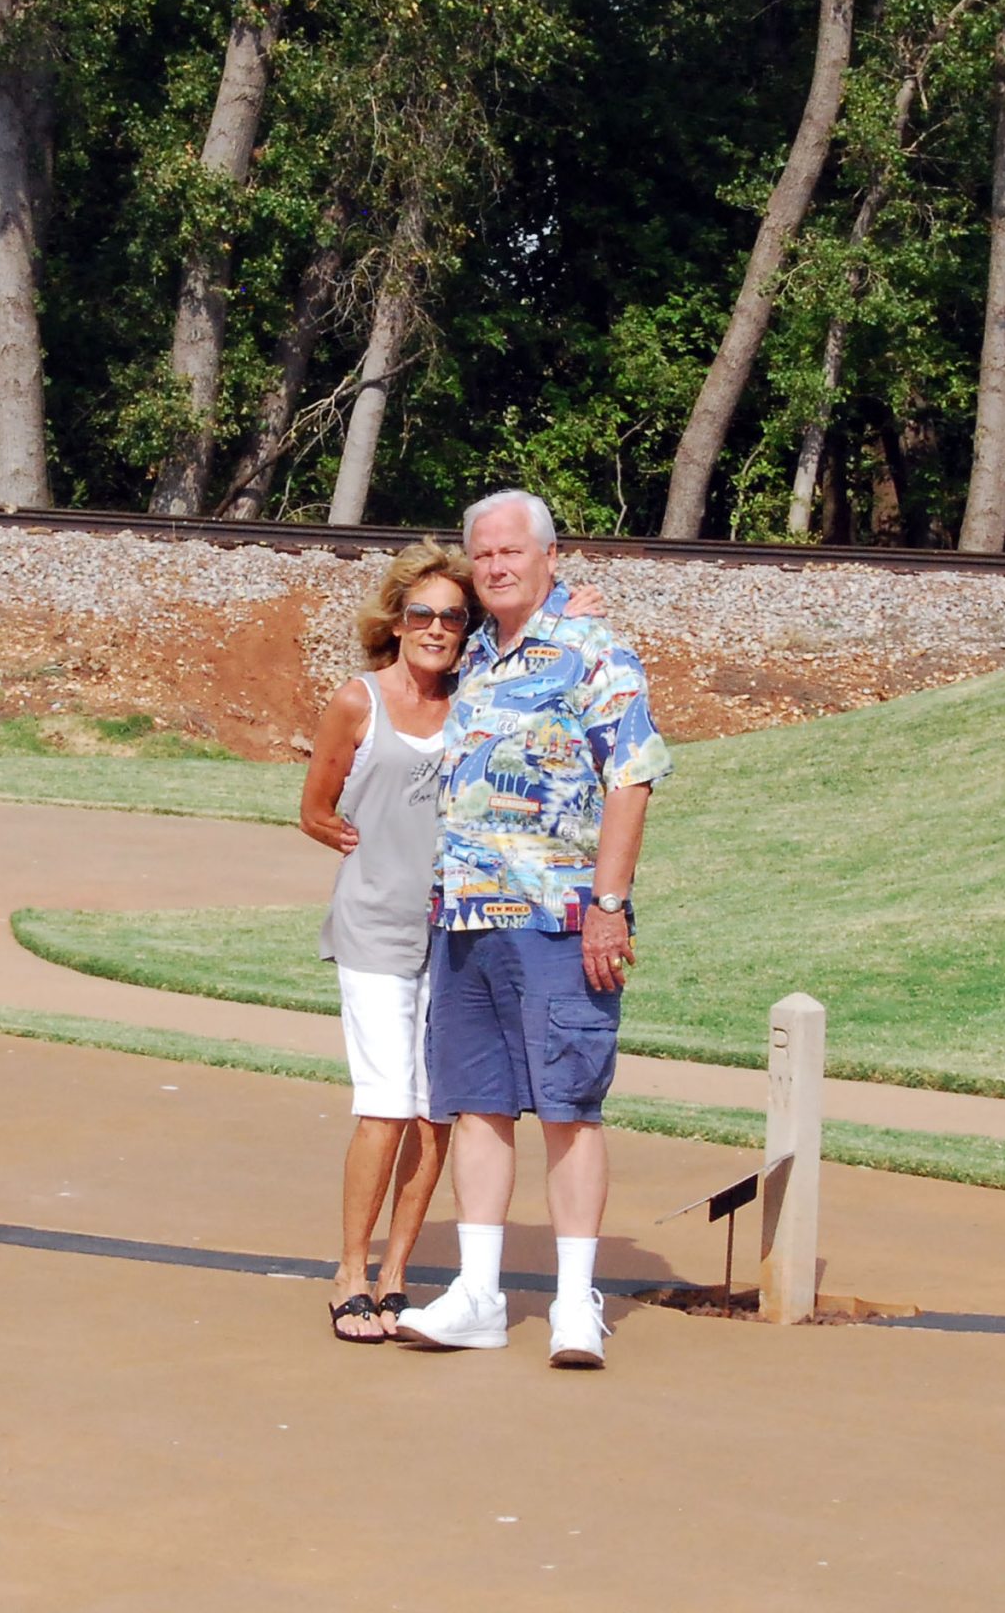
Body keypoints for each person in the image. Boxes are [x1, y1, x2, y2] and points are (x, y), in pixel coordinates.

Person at [298, 542, 607, 1345]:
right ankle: (350, 1274)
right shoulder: (356, 701)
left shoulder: (477, 690)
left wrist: (569, 608)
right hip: (374, 930)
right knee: (386, 1104)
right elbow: (315, 806)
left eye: (452, 616)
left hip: (458, 928)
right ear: (396, 621)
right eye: (422, 613)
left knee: (440, 1110)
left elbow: (535, 645)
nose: (437, 628)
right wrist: (348, 842)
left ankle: (399, 1276)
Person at [392, 489, 670, 1368]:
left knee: (568, 1106)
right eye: (484, 556)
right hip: (467, 915)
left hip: (560, 918)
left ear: (553, 558)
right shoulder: (472, 655)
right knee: (476, 1104)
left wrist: (609, 905)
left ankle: (574, 1301)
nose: (497, 566)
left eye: (513, 551)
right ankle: (478, 1294)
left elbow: (631, 778)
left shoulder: (595, 651)